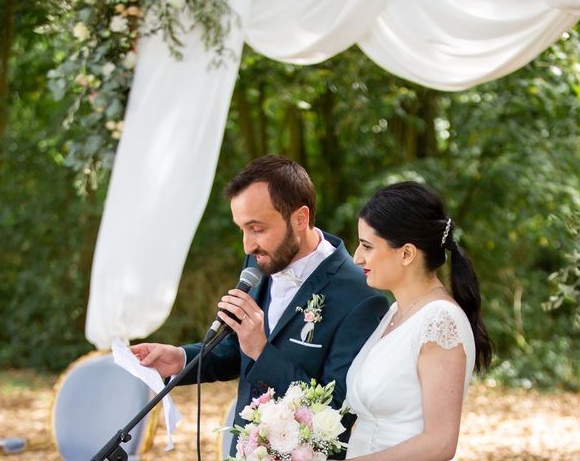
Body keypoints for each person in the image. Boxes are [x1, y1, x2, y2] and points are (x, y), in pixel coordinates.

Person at [130, 155, 389, 458]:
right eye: (242, 229)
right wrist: (181, 359)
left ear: (300, 218)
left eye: (257, 228)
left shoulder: (361, 296)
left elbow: (337, 412)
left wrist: (261, 351)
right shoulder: (259, 261)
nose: (247, 245)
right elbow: (234, 351)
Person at [344, 181, 492, 460]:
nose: (356, 257)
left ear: (407, 253)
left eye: (367, 246)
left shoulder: (440, 321)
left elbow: (440, 443)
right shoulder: (395, 313)